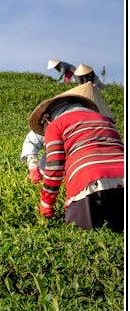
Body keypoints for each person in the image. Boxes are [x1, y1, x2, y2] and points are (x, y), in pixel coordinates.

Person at [28, 82, 123, 232]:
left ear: (48, 118)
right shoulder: (105, 120)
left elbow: (55, 168)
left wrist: (46, 207)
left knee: (79, 235)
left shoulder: (56, 124)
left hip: (89, 182)